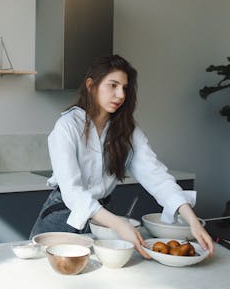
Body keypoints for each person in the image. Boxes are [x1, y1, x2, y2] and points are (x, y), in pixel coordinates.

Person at [30, 54, 214, 258]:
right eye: (113, 85)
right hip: (61, 220)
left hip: (103, 224)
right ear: (91, 85)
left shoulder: (127, 130)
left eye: (125, 88)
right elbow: (73, 193)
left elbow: (157, 176)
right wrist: (119, 224)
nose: (120, 95)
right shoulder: (67, 126)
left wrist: (192, 221)